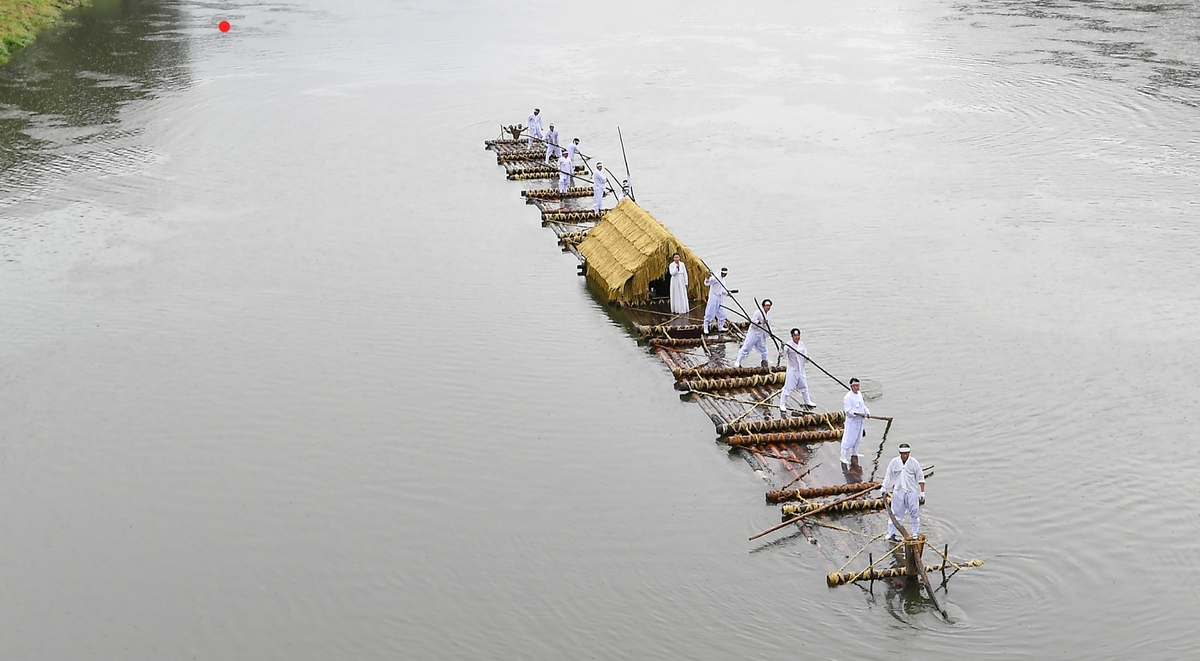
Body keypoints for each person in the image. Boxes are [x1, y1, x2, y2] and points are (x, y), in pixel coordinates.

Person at [881, 443, 925, 541]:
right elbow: (889, 474)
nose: (905, 455)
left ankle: (914, 533)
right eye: (903, 453)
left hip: (911, 491)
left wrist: (922, 492)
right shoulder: (894, 462)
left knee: (914, 513)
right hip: (898, 491)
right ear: (900, 453)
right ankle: (891, 533)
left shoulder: (914, 463)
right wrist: (884, 486)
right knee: (895, 513)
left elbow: (921, 478)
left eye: (907, 453)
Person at [780, 328, 815, 416]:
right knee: (788, 387)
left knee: (804, 386)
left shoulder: (802, 344)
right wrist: (782, 347)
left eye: (798, 335)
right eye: (795, 335)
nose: (797, 337)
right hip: (792, 370)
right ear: (792, 336)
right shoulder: (789, 345)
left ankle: (807, 401)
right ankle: (782, 404)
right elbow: (782, 355)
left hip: (801, 369)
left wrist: (807, 358)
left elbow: (805, 355)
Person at [840, 377, 870, 466]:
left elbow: (862, 405)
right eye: (855, 386)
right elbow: (848, 411)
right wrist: (857, 414)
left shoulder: (860, 394)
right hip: (852, 422)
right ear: (851, 387)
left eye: (858, 385)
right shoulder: (847, 397)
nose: (857, 387)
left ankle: (854, 453)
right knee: (849, 439)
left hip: (860, 421)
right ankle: (843, 456)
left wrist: (867, 412)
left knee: (858, 438)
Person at [735, 299, 772, 367]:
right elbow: (753, 322)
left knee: (764, 350)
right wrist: (760, 322)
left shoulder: (769, 315)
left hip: (761, 334)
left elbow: (768, 325)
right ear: (763, 306)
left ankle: (765, 362)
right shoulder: (758, 312)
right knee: (746, 348)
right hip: (754, 333)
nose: (768, 307)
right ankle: (738, 362)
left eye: (769, 306)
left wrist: (769, 333)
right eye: (767, 305)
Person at [702, 267, 729, 334]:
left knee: (722, 314)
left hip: (720, 298)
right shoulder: (715, 277)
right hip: (713, 298)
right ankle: (705, 327)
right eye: (723, 273)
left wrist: (727, 293)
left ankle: (720, 327)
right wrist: (707, 278)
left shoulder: (723, 280)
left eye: (725, 274)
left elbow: (722, 290)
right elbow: (707, 283)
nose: (723, 275)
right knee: (710, 313)